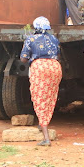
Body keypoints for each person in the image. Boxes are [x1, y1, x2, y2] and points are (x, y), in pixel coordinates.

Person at [20, 16, 62, 146]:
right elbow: (58, 55)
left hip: (40, 68)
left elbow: (23, 59)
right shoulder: (54, 39)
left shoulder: (31, 39)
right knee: (50, 98)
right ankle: (42, 123)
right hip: (55, 67)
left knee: (39, 99)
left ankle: (46, 138)